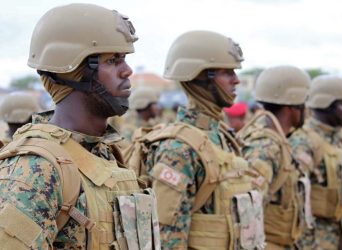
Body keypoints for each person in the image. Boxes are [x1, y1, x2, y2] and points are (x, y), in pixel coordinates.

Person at [0, 3, 160, 249]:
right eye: (113, 60)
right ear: (73, 69)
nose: (127, 71)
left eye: (124, 59)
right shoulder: (36, 168)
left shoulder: (104, 153)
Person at [127, 30, 266, 249]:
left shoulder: (222, 136)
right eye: (227, 72)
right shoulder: (178, 148)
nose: (236, 80)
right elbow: (168, 238)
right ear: (202, 76)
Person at [238, 65, 312, 249]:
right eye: (304, 103)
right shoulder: (266, 147)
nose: (307, 109)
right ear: (292, 107)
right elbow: (248, 211)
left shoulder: (278, 141)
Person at [289, 75, 342, 249]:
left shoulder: (335, 139)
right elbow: (295, 197)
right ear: (326, 105)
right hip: (315, 240)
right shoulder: (304, 142)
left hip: (338, 235)